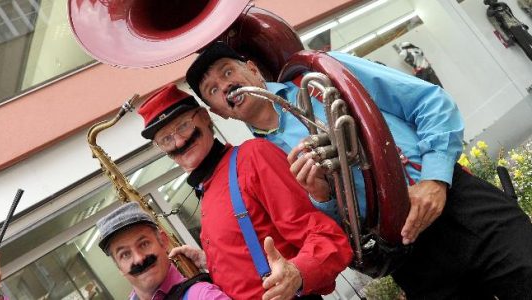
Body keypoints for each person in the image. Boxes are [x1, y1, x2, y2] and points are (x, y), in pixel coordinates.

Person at [184, 41, 532, 299]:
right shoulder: (259, 161)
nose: (225, 86)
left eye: (228, 72)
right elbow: (329, 234)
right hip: (407, 254)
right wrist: (322, 197)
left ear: (253, 70)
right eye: (213, 90)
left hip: (458, 205)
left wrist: (435, 179)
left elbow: (430, 103)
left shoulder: (323, 77)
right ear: (221, 113)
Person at [136, 83, 353, 299]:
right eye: (166, 139)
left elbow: (326, 236)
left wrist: (296, 273)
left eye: (183, 125)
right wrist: (208, 261)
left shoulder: (253, 157)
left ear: (204, 117)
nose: (180, 141)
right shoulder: (207, 190)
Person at [0, 202, 230, 300]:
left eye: (144, 244)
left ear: (163, 241)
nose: (139, 259)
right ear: (118, 267)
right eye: (125, 254)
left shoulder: (201, 294)